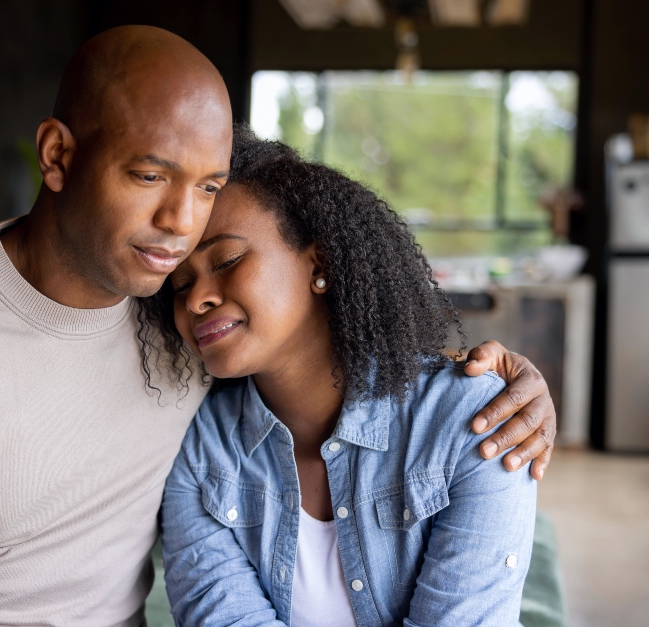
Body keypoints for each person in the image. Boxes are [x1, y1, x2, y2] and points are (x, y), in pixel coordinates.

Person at [0, 26, 555, 627]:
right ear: (58, 156)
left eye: (208, 188)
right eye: (149, 175)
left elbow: (348, 364)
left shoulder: (175, 325)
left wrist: (515, 385)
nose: (179, 226)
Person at [151, 127, 536, 626]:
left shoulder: (475, 421)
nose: (196, 299)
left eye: (226, 261)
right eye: (180, 283)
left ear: (321, 263)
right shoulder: (204, 448)